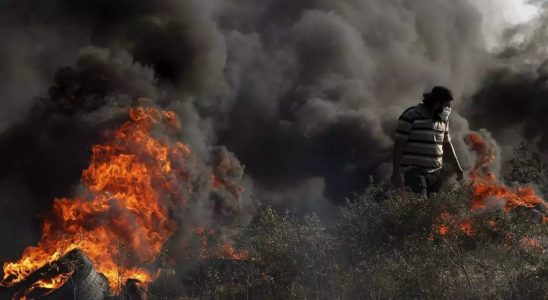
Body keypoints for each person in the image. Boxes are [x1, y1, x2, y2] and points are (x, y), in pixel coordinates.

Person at [391, 86, 464, 197]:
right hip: (414, 172)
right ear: (437, 103)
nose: (448, 110)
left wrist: (457, 167)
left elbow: (447, 144)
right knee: (419, 204)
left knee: (433, 208)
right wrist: (396, 172)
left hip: (435, 173)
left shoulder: (443, 120)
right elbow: (399, 145)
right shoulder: (411, 115)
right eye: (447, 106)